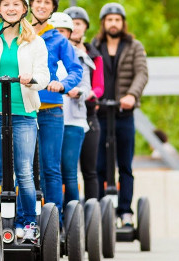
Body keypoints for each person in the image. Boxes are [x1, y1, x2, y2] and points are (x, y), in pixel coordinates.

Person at [0, 0, 50, 243]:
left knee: (24, 172)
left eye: (16, 4)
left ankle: (28, 224)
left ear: (24, 10)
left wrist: (31, 79)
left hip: (24, 113)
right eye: (6, 4)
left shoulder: (35, 41)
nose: (11, 8)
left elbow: (44, 76)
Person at [93, 2, 148, 227]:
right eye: (109, 20)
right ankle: (98, 210)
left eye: (117, 19)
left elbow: (142, 73)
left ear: (122, 23)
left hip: (124, 114)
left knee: (125, 165)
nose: (113, 23)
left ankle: (125, 211)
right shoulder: (95, 46)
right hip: (100, 113)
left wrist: (132, 96)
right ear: (103, 23)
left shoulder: (134, 46)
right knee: (98, 166)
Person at [28, 0, 83, 227]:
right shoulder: (20, 33)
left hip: (51, 109)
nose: (42, 5)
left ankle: (54, 223)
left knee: (50, 167)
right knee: (25, 169)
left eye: (47, 2)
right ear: (29, 5)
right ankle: (26, 222)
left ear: (52, 8)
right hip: (24, 109)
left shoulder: (58, 39)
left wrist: (62, 85)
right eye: (38, 1)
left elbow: (76, 70)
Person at [49, 12, 93, 207]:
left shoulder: (80, 56)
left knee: (69, 170)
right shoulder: (43, 54)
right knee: (50, 170)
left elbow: (87, 86)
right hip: (49, 116)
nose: (59, 34)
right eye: (55, 31)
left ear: (69, 33)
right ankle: (52, 216)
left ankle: (72, 217)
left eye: (63, 31)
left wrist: (76, 91)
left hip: (72, 120)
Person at [64, 6, 105, 201]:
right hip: (64, 114)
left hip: (87, 113)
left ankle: (91, 212)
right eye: (71, 24)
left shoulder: (94, 55)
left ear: (85, 28)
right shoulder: (60, 51)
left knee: (89, 169)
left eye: (78, 24)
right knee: (65, 168)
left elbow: (99, 86)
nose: (75, 28)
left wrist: (85, 94)